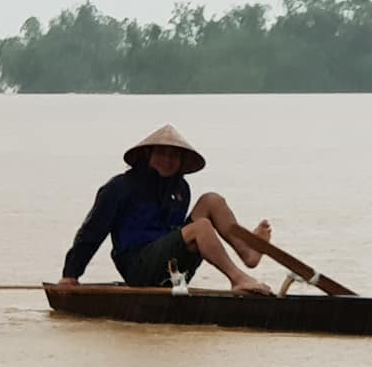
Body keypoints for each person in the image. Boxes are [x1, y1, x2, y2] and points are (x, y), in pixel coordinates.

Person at [57, 123, 272, 295]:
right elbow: (92, 232)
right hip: (138, 266)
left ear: (181, 161)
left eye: (174, 156)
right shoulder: (120, 187)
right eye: (162, 153)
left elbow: (177, 236)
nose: (168, 161)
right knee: (201, 227)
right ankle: (238, 278)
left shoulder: (181, 189)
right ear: (148, 155)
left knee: (211, 200)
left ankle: (248, 253)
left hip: (170, 268)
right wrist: (71, 274)